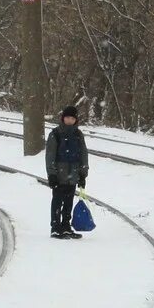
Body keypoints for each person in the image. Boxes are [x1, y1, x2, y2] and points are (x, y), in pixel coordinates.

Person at [45, 103, 89, 240]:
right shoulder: (56, 134)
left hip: (73, 174)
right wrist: (52, 174)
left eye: (72, 118)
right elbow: (50, 155)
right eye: (67, 118)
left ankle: (65, 225)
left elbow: (83, 154)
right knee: (57, 201)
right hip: (59, 174)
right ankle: (55, 227)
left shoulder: (78, 135)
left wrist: (83, 173)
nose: (70, 120)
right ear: (63, 118)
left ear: (76, 120)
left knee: (69, 201)